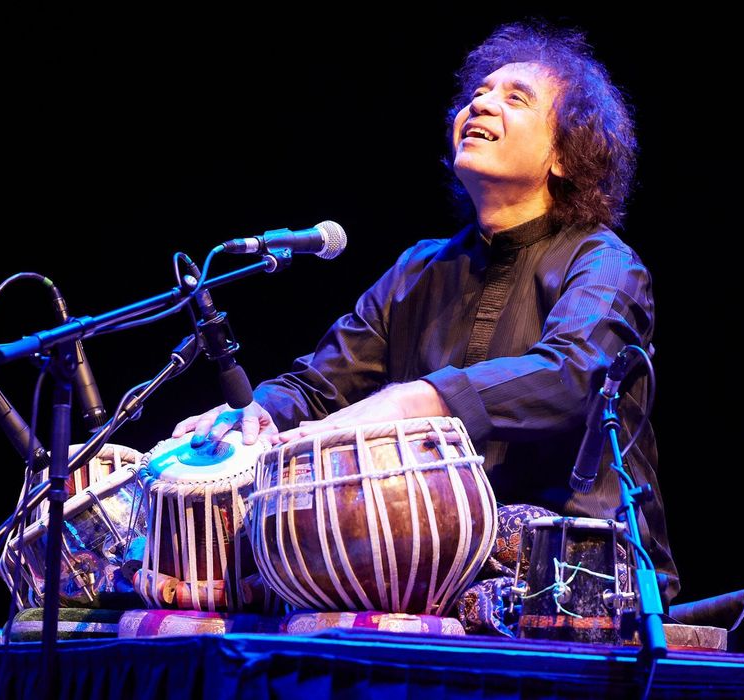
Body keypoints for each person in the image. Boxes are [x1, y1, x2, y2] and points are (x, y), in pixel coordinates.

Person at [173, 20, 679, 605]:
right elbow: (319, 387)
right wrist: (257, 413)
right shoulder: (420, 270)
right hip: (436, 557)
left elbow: (572, 375)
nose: (481, 104)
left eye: (515, 98)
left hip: (581, 567)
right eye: (477, 94)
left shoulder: (604, 262)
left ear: (565, 154)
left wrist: (417, 401)